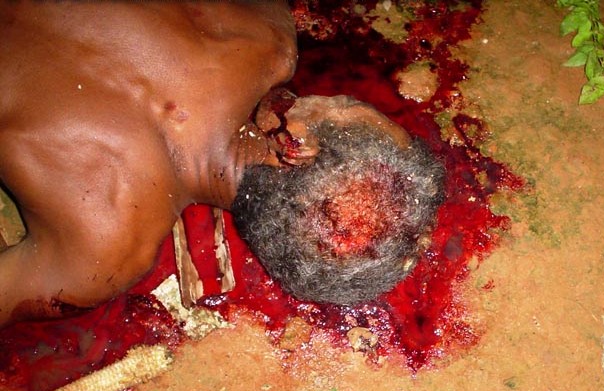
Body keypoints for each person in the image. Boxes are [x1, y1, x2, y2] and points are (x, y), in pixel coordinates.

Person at [0, 1, 443, 328]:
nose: (341, 98)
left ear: (296, 142)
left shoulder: (262, 35)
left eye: (349, 104)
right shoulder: (106, 252)